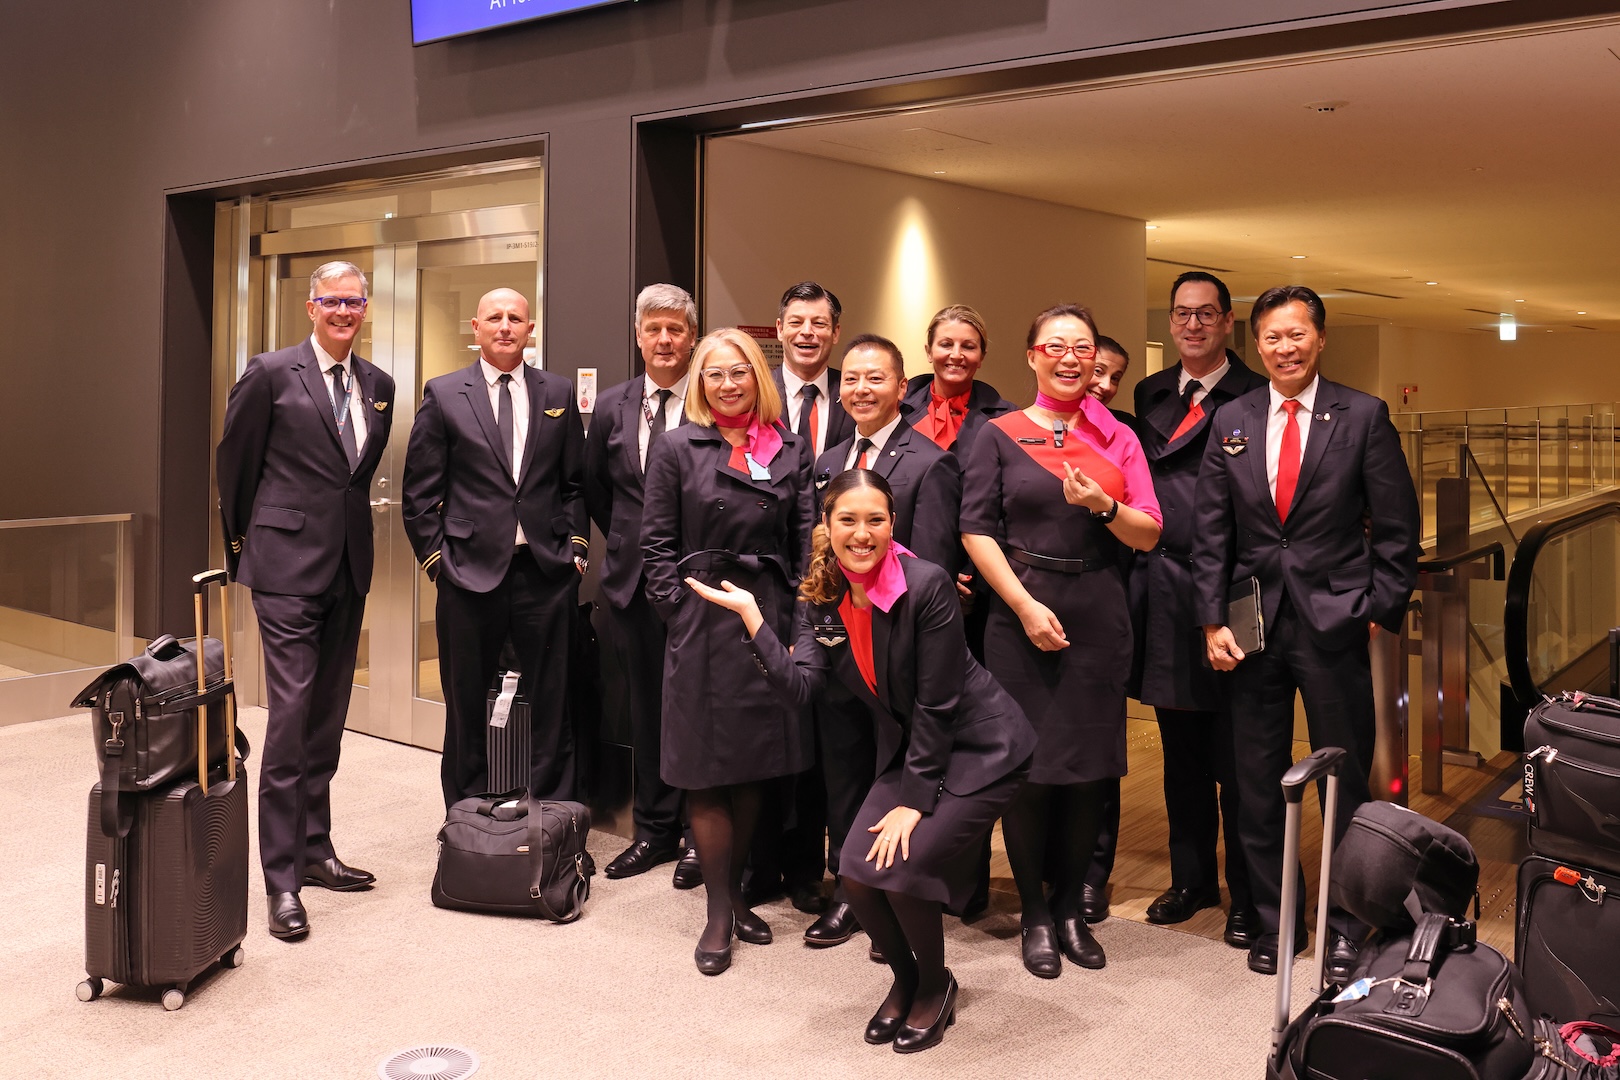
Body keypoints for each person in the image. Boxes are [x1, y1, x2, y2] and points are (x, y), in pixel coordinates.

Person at [688, 470, 1036, 1053]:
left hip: (981, 747)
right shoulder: (821, 594)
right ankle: (907, 978)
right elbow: (801, 688)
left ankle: (934, 989)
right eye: (847, 519)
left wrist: (912, 804)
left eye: (876, 519)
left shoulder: (926, 585)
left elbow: (938, 705)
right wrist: (754, 618)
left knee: (901, 867)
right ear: (827, 524)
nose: (862, 533)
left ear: (893, 524)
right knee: (855, 870)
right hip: (918, 748)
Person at [1192, 285, 1419, 981]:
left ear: (1319, 338)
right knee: (1257, 781)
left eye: (1296, 335)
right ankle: (1276, 920)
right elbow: (1212, 530)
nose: (1284, 348)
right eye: (1272, 337)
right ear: (1256, 343)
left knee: (1343, 781)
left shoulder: (1363, 415)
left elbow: (1398, 528)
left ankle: (1346, 925)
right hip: (1251, 626)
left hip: (1335, 621)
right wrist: (1211, 620)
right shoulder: (1231, 418)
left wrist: (1376, 608)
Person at [961, 304, 1163, 978]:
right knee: (1028, 773)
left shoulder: (1117, 436)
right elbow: (976, 530)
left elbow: (1148, 532)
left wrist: (1103, 506)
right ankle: (1036, 915)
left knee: (1087, 773)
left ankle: (1072, 909)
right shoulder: (999, 434)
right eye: (1055, 346)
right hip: (1020, 611)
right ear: (1032, 356)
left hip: (1099, 612)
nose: (1069, 357)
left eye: (1081, 347)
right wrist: (1022, 606)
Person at [216, 260, 395, 941]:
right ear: (311, 307)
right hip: (285, 568)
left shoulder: (379, 385)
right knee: (290, 721)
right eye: (332, 301)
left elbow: (355, 478)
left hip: (349, 568)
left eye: (354, 302)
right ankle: (281, 879)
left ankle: (316, 849)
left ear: (365, 309)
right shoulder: (269, 373)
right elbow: (234, 466)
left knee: (326, 718)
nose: (344, 312)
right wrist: (247, 552)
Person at [640, 326, 815, 974]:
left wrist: (796, 624)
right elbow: (656, 545)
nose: (727, 383)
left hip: (767, 618)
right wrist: (680, 612)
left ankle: (738, 895)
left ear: (757, 378)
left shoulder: (789, 448)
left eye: (738, 371)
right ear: (700, 383)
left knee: (753, 769)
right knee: (707, 771)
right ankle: (718, 912)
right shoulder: (676, 446)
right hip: (703, 622)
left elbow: (806, 545)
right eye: (714, 373)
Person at [800, 334, 964, 949]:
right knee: (843, 772)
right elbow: (816, 558)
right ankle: (851, 891)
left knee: (893, 777)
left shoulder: (931, 462)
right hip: (839, 645)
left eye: (876, 379)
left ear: (902, 387)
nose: (861, 389)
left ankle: (896, 891)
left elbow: (934, 571)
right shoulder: (829, 461)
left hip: (896, 657)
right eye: (852, 379)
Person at [401, 288, 587, 810]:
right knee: (466, 706)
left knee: (553, 704)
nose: (505, 326)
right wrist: (438, 563)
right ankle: (467, 817)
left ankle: (553, 821)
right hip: (467, 574)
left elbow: (574, 483)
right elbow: (419, 492)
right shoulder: (444, 393)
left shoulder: (557, 390)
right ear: (476, 327)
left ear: (531, 329)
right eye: (495, 318)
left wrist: (575, 549)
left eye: (516, 318)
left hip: (545, 572)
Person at [1131, 272, 1268, 947]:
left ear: (1227, 322)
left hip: (1236, 587)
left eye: (1206, 314)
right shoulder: (1151, 392)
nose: (1192, 325)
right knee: (1180, 751)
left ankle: (1249, 892)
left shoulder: (1258, 395)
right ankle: (1191, 880)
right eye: (1182, 314)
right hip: (1166, 586)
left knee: (1240, 756)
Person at [900, 305, 1016, 919]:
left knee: (961, 736)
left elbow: (1001, 504)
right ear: (929, 348)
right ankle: (904, 872)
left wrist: (964, 575)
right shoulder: (900, 408)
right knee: (910, 733)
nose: (956, 355)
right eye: (946, 343)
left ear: (982, 353)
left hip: (974, 596)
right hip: (900, 592)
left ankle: (966, 883)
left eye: (968, 345)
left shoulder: (1004, 417)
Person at [584, 284, 700, 886]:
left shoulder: (712, 398)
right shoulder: (612, 405)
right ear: (637, 335)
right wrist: (636, 543)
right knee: (647, 710)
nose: (664, 340)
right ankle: (654, 830)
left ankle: (700, 833)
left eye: (675, 329)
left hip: (700, 582)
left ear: (692, 337)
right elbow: (597, 490)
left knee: (700, 707)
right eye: (653, 329)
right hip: (632, 583)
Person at [760, 279, 856, 913]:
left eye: (819, 323)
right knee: (778, 728)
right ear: (780, 327)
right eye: (796, 321)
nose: (807, 333)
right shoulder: (754, 394)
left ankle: (831, 869)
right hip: (770, 587)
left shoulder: (857, 392)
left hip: (846, 590)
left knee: (834, 734)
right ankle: (778, 862)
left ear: (835, 332)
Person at [1073, 334, 1136, 925]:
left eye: (1115, 376)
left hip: (1102, 598)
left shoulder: (1123, 436)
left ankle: (1093, 874)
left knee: (1100, 746)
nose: (1105, 385)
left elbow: (1147, 524)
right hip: (1031, 602)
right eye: (1099, 371)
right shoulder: (1020, 429)